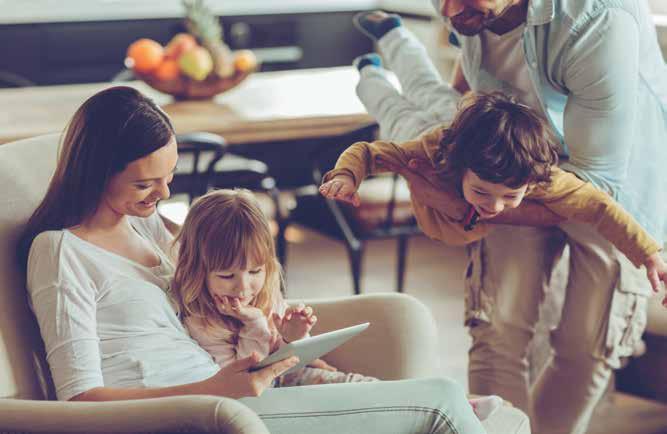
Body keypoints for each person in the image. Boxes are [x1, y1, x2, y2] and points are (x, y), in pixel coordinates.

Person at [18, 85, 489, 434]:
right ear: (97, 172)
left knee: (449, 402)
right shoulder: (61, 253)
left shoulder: (146, 224)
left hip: (236, 398)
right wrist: (215, 392)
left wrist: (278, 335)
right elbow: (80, 398)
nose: (163, 194)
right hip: (189, 416)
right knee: (443, 402)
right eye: (145, 184)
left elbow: (236, 268)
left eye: (168, 177)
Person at [348, 5, 667, 434]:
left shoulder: (598, 19)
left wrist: (472, 208)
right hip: (501, 164)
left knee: (588, 343)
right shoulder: (468, 12)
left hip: (609, 181)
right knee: (497, 330)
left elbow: (598, 186)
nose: (447, 9)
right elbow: (475, 74)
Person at [320, 91, 667, 294]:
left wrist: (648, 253)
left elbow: (600, 207)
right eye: (482, 193)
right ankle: (373, 68)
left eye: (509, 196)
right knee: (400, 107)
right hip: (426, 146)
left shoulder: (542, 178)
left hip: (456, 141)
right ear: (461, 168)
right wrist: (347, 177)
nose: (495, 207)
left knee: (437, 96)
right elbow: (367, 151)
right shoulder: (429, 153)